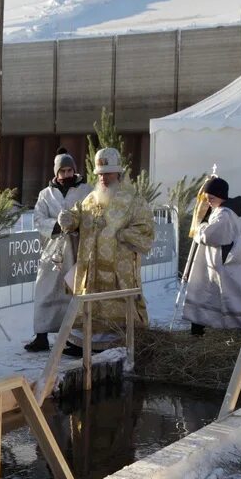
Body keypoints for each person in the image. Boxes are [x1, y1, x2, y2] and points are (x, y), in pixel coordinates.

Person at [57, 147, 154, 356]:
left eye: (107, 173)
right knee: (90, 304)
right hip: (91, 265)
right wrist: (69, 220)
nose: (103, 178)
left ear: (118, 174)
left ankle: (120, 342)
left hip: (118, 267)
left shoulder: (133, 200)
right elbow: (78, 216)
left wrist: (124, 234)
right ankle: (85, 343)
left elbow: (146, 230)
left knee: (117, 305)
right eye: (100, 174)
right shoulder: (91, 199)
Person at [26, 148, 93, 352]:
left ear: (74, 170)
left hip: (77, 248)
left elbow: (92, 214)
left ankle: (74, 339)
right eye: (62, 171)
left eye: (69, 170)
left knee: (75, 292)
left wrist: (75, 223)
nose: (66, 175)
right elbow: (38, 218)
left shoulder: (86, 191)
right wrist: (57, 224)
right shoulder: (45, 194)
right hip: (53, 249)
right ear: (56, 173)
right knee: (45, 289)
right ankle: (41, 335)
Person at [182, 176, 241, 335]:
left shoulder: (225, 214)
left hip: (223, 264)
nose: (208, 201)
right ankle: (197, 330)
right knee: (204, 294)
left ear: (221, 196)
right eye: (207, 198)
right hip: (215, 262)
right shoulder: (221, 210)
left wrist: (200, 228)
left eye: (211, 198)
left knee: (232, 298)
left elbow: (211, 235)